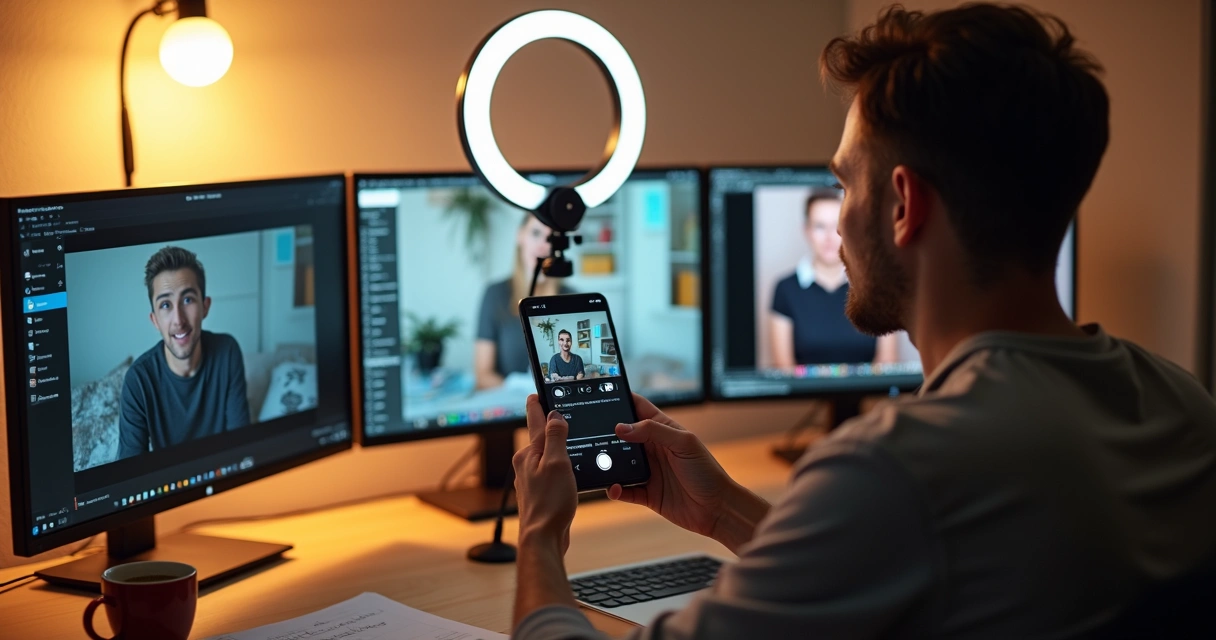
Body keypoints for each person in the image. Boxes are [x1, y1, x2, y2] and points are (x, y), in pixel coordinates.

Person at [508, 4, 1216, 639]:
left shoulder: (898, 469)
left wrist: (540, 537)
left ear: (904, 204)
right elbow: (918, 570)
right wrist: (723, 511)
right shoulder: (1181, 405)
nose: (839, 221)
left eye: (845, 182)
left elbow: (899, 521)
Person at [118, 246, 250, 459]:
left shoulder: (227, 351)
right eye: (166, 305)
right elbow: (128, 475)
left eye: (187, 300)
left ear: (205, 306)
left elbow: (241, 446)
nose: (179, 320)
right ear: (155, 321)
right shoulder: (138, 380)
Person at [770, 189, 899, 367]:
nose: (829, 237)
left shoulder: (877, 286)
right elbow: (784, 369)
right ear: (806, 231)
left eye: (837, 226)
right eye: (820, 226)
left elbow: (887, 363)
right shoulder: (785, 289)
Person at [475, 213, 573, 389]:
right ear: (520, 235)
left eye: (552, 238)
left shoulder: (573, 298)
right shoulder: (495, 294)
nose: (543, 246)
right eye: (536, 233)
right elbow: (483, 375)